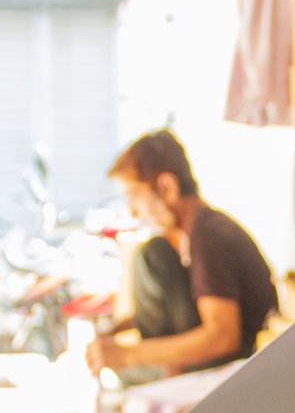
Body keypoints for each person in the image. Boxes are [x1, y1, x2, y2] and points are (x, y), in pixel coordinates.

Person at [86, 130, 278, 384]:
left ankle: (166, 378)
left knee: (152, 255)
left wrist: (129, 355)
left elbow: (223, 336)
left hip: (240, 366)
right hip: (229, 358)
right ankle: (161, 374)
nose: (132, 211)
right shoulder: (196, 232)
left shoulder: (208, 236)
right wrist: (121, 329)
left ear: (166, 188)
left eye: (134, 196)